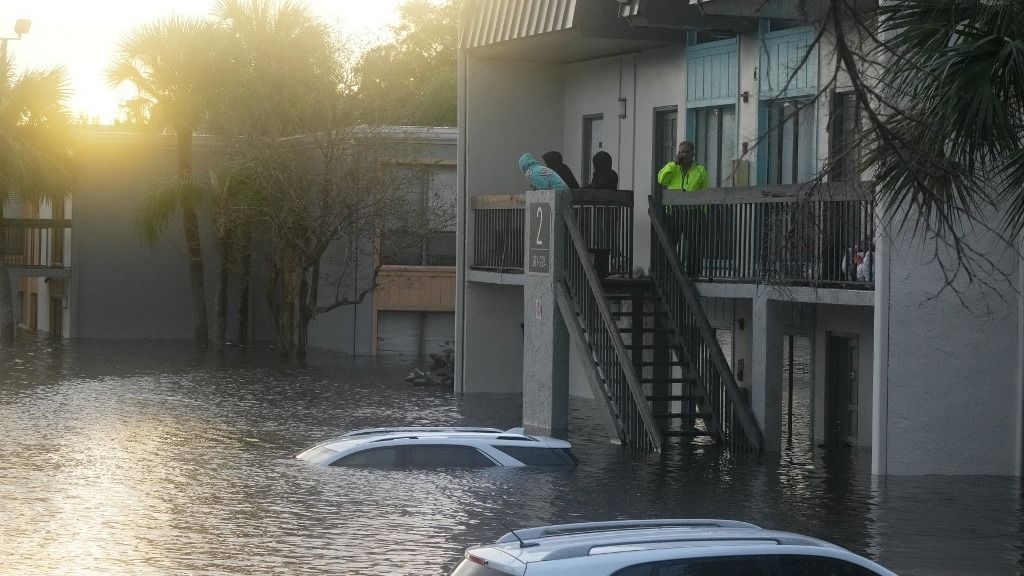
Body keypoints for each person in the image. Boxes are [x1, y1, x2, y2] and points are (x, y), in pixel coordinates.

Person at [656, 141, 709, 277]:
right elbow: (661, 179)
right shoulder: (673, 168)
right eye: (680, 152)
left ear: (692, 154)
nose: (682, 155)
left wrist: (704, 213)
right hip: (675, 211)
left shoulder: (700, 170)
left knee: (694, 245)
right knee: (670, 242)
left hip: (693, 212)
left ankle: (693, 274)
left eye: (686, 152)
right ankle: (668, 271)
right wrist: (673, 164)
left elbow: (706, 191)